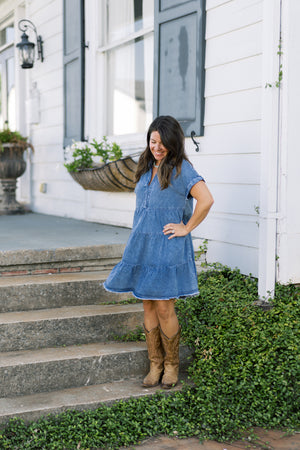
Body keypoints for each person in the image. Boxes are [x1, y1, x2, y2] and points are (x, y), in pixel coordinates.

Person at [104, 115, 214, 389]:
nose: (157, 147)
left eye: (163, 143)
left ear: (174, 143)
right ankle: (154, 364)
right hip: (142, 245)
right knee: (148, 303)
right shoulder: (144, 167)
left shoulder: (182, 169)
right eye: (153, 141)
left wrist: (186, 227)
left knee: (165, 305)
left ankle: (171, 366)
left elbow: (206, 199)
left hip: (167, 247)